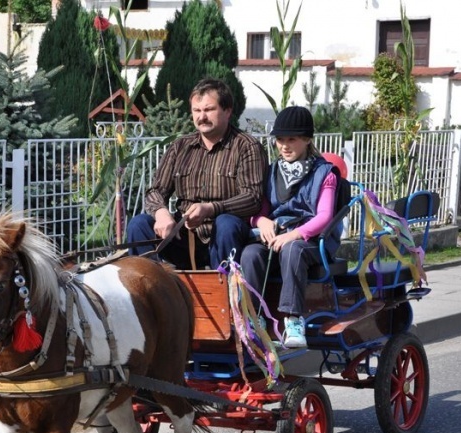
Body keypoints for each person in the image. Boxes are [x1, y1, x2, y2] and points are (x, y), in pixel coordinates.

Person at [125, 78, 267, 270]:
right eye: (197, 111)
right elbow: (155, 191)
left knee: (225, 223)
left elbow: (252, 198)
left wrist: (210, 208)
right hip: (184, 236)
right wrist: (161, 212)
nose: (202, 117)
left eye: (209, 110)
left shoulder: (247, 146)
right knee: (139, 224)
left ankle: (225, 293)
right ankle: (151, 293)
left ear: (227, 111)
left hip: (228, 238)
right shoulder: (180, 147)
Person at [240, 105, 342, 349]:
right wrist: (260, 220)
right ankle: (255, 320)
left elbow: (325, 216)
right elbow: (260, 211)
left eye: (292, 139)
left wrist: (295, 234)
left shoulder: (325, 173)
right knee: (251, 253)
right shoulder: (272, 172)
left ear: (307, 140)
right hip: (277, 239)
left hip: (312, 242)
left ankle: (294, 320)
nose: (284, 146)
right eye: (280, 140)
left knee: (293, 250)